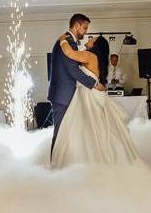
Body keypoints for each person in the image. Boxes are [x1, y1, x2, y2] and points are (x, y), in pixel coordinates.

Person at [51, 34, 141, 168]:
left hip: (88, 95)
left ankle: (88, 160)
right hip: (93, 94)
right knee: (97, 127)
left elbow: (69, 53)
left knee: (86, 127)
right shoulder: (97, 59)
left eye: (91, 40)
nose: (88, 40)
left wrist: (62, 40)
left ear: (95, 45)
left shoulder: (89, 56)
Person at [47, 14, 106, 160]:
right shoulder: (67, 42)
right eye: (85, 28)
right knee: (60, 133)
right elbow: (73, 71)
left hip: (66, 95)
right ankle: (54, 165)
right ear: (77, 25)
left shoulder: (67, 42)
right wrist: (94, 84)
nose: (86, 32)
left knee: (68, 133)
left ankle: (65, 163)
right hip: (62, 96)